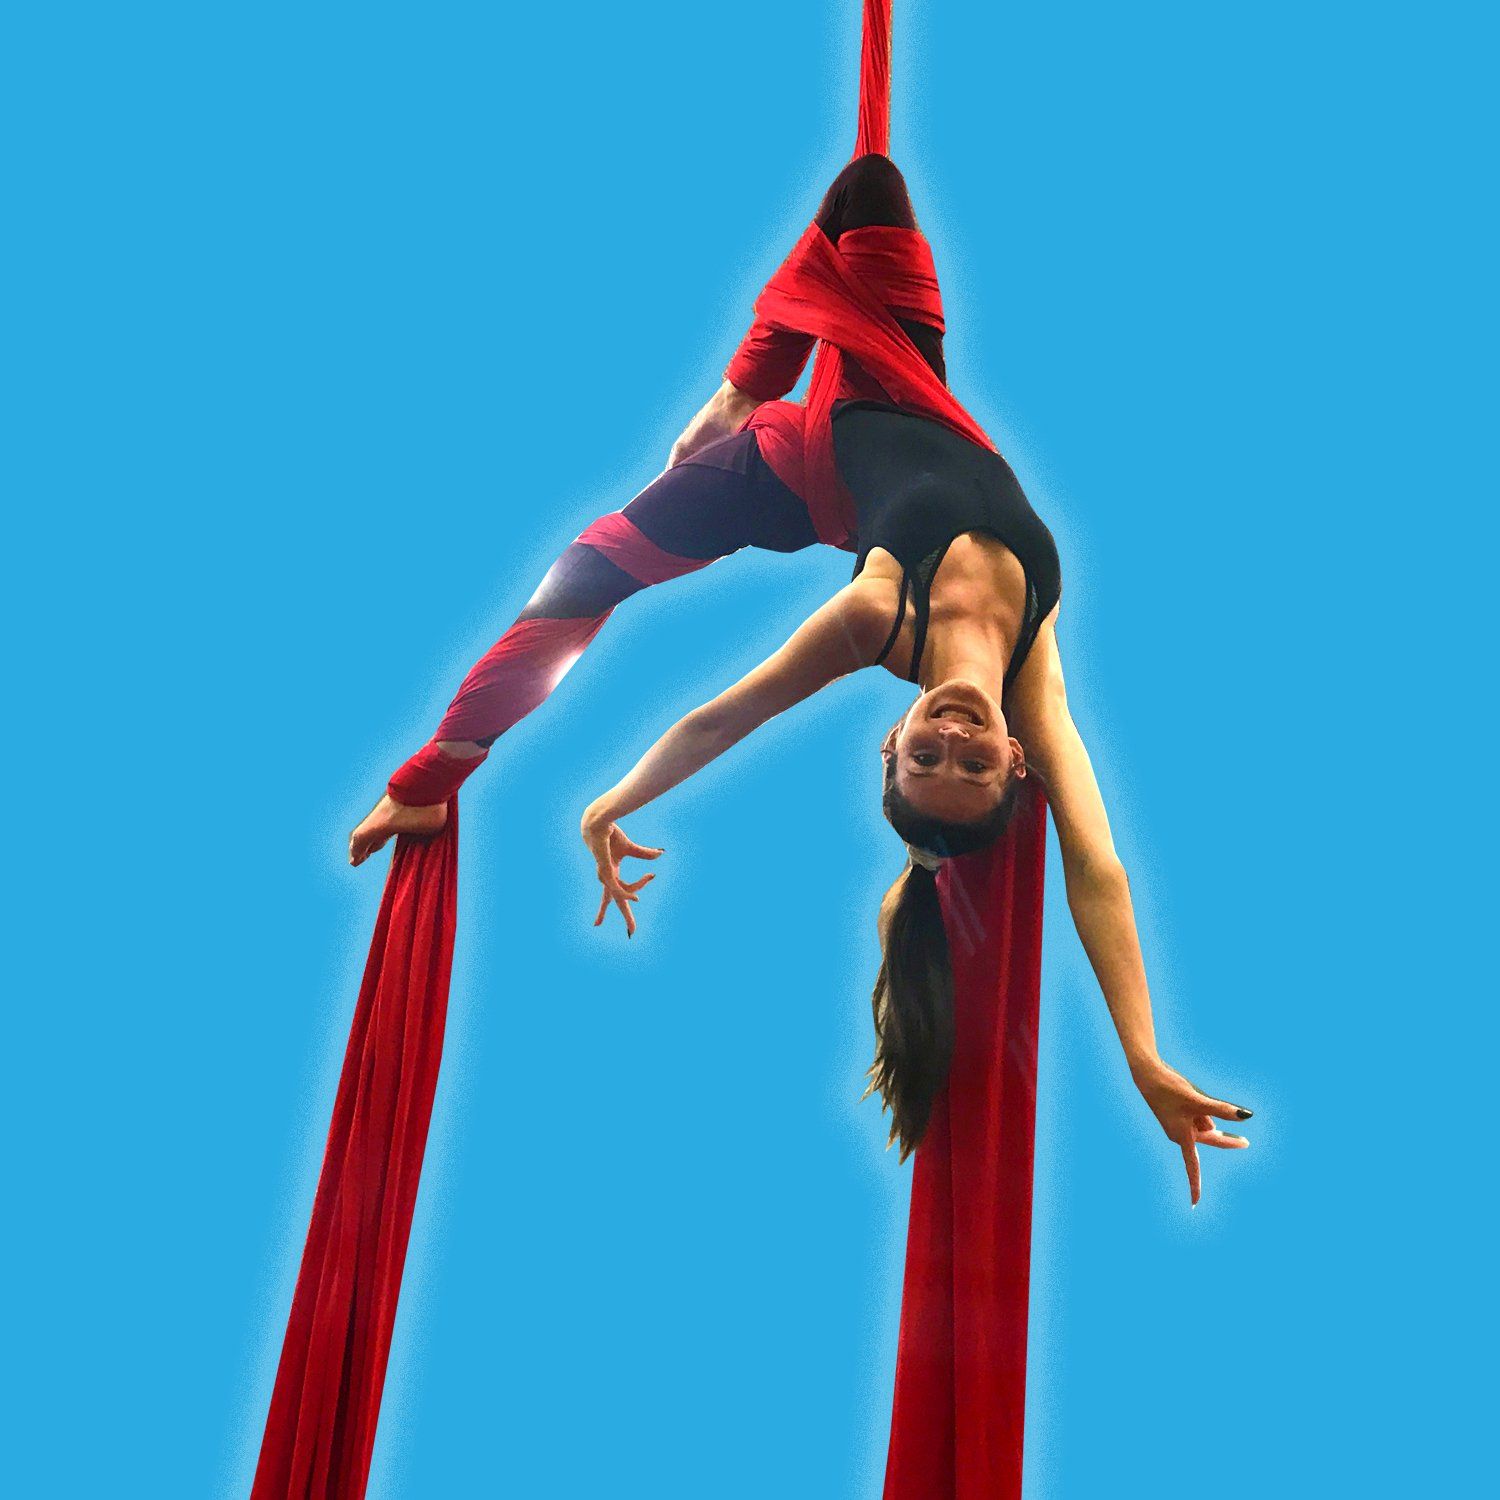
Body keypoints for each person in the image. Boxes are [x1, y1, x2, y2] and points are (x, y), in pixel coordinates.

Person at [349, 153, 1251, 1200]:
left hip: (791, 468)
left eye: (926, 756)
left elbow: (719, 721)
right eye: (972, 759)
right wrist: (1144, 1053)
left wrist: (606, 802)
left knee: (580, 584)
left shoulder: (876, 616)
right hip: (902, 387)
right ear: (1014, 760)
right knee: (872, 190)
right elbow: (1099, 867)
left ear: (893, 738)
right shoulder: (1033, 668)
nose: (952, 733)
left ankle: (430, 773)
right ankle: (740, 386)